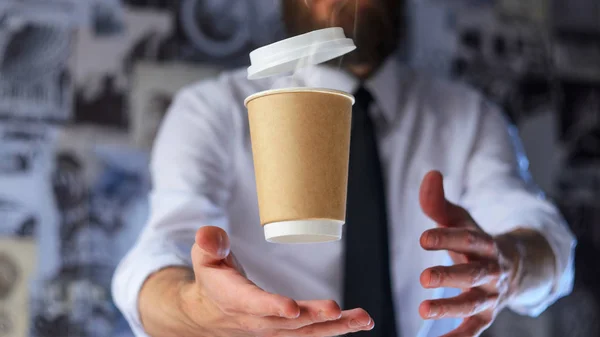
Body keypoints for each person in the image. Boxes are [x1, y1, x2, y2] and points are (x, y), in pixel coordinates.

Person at [112, 0, 576, 336]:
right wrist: (194, 308)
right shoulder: (212, 112)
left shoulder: (468, 119)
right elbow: (159, 250)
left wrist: (508, 264)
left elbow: (543, 238)